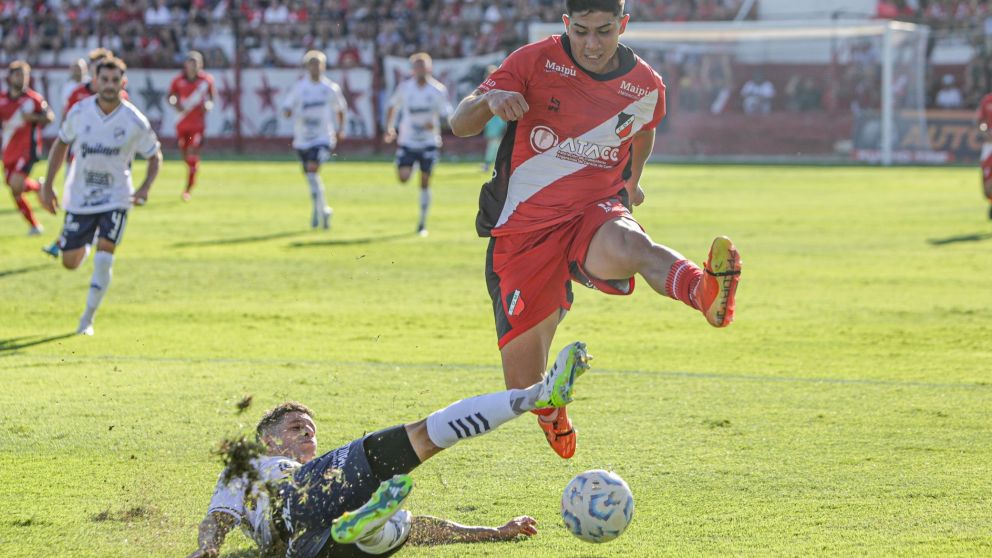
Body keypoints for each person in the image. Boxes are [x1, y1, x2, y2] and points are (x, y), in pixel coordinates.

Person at [448, 0, 741, 459]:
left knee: (631, 244)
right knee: (521, 387)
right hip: (523, 229)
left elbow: (643, 130)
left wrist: (633, 181)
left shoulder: (647, 85)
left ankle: (703, 291)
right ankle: (550, 411)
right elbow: (459, 122)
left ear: (623, 24)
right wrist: (488, 100)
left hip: (593, 208)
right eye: (581, 31)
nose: (592, 44)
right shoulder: (532, 60)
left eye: (605, 31)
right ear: (567, 24)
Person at [188, 342, 589, 558]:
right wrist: (207, 548)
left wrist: (494, 533)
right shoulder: (249, 466)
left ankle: (368, 526)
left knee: (398, 528)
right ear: (268, 440)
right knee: (423, 436)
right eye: (296, 428)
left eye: (312, 430)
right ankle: (536, 396)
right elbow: (218, 517)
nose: (308, 435)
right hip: (295, 498)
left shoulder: (323, 469)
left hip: (305, 547)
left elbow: (428, 530)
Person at [39, 57, 162, 336]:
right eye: (103, 80)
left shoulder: (134, 120)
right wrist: (48, 186)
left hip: (116, 197)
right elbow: (61, 144)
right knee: (70, 262)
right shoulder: (80, 111)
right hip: (81, 196)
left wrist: (144, 188)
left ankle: (87, 320)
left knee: (104, 257)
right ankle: (87, 240)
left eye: (114, 80)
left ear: (123, 83)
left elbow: (155, 156)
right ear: (94, 81)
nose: (108, 85)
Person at [43, 48, 128, 258]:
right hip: (79, 159)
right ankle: (71, 239)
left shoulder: (120, 96)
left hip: (109, 164)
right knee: (74, 199)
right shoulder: (77, 94)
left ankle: (68, 241)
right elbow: (66, 124)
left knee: (99, 203)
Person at [383, 53, 454, 237]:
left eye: (423, 66)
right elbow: (392, 106)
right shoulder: (405, 88)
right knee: (404, 177)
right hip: (408, 140)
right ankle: (409, 165)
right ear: (412, 69)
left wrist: (438, 123)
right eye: (417, 66)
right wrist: (390, 127)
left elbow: (447, 116)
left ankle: (422, 223)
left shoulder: (437, 90)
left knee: (424, 182)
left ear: (429, 68)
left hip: (429, 142)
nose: (420, 70)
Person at [281, 50, 347, 230]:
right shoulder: (300, 88)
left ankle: (317, 212)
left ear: (323, 66)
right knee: (312, 176)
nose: (315, 68)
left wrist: (341, 129)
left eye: (318, 64)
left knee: (312, 170)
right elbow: (287, 106)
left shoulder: (329, 88)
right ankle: (322, 209)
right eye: (311, 64)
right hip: (302, 138)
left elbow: (340, 108)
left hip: (322, 137)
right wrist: (287, 112)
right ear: (307, 67)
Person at [0, 60, 54, 235]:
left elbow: (50, 117)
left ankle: (38, 190)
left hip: (27, 148)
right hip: (8, 149)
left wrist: (34, 118)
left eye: (25, 75)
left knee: (16, 185)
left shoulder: (33, 99)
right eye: (18, 75)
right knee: (14, 189)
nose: (22, 79)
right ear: (10, 77)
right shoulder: (2, 99)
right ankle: (34, 223)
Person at [168, 51, 216, 202]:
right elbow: (170, 96)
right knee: (185, 155)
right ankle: (192, 171)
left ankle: (188, 189)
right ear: (186, 65)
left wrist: (208, 105)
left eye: (196, 64)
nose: (193, 67)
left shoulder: (206, 80)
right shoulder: (178, 80)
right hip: (182, 123)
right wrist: (176, 105)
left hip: (197, 125)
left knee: (192, 152)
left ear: (200, 65)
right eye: (190, 63)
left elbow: (211, 98)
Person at [481, 65, 507, 174]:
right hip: (491, 118)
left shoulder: (502, 86)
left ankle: (492, 164)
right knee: (493, 143)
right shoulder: (485, 88)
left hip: (499, 117)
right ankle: (490, 163)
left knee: (497, 143)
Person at [977, 89, 992, 219]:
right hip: (989, 145)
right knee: (986, 189)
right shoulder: (987, 100)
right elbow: (981, 122)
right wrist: (984, 132)